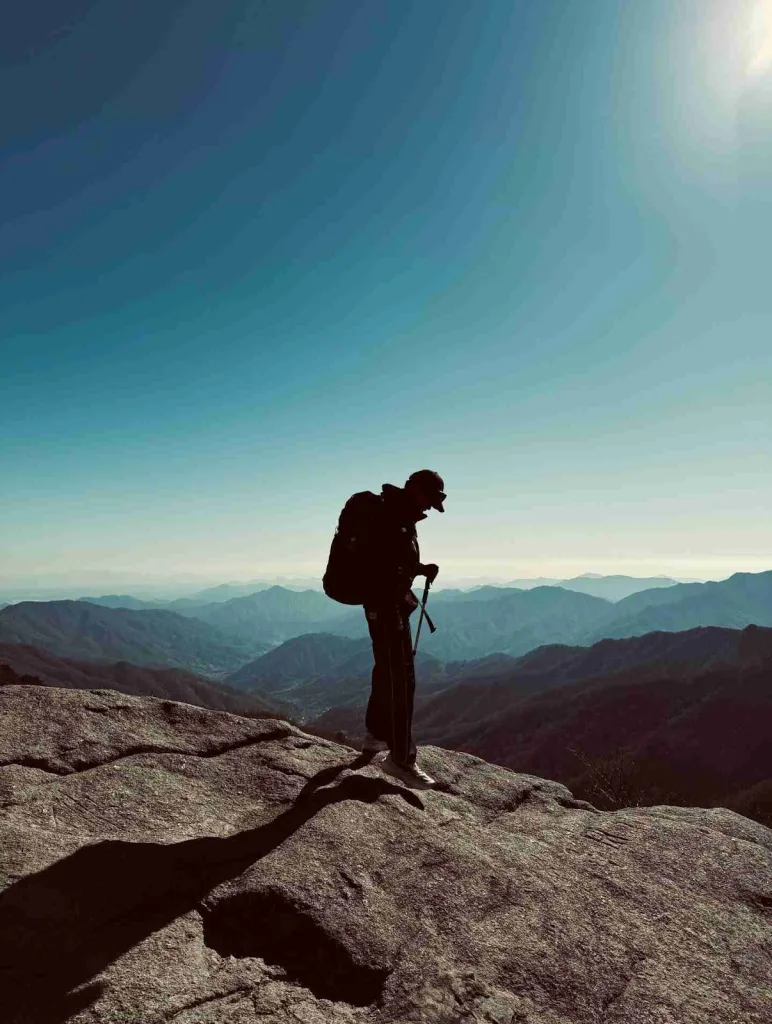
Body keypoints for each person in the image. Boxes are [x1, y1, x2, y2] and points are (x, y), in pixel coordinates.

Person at [360, 468, 446, 790]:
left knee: (387, 670)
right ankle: (400, 759)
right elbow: (384, 563)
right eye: (428, 501)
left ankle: (373, 736)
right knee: (403, 680)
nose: (428, 509)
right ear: (414, 488)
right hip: (386, 607)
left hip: (383, 605)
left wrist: (420, 568)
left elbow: (390, 560)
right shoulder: (393, 516)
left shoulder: (395, 514)